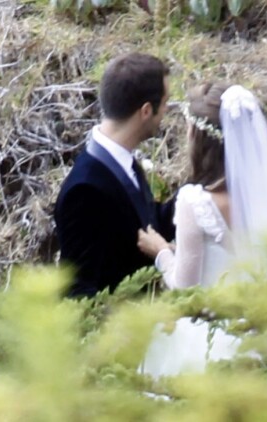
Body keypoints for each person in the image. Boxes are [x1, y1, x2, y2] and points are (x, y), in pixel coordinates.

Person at [137, 82, 267, 377]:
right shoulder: (264, 199)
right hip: (259, 335)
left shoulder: (195, 203)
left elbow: (186, 287)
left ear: (197, 136)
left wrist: (160, 253)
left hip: (209, 339)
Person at [54, 53, 176, 298]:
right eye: (164, 103)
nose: (166, 111)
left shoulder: (122, 160)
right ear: (145, 110)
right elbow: (78, 291)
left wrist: (198, 195)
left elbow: (144, 225)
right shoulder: (85, 190)